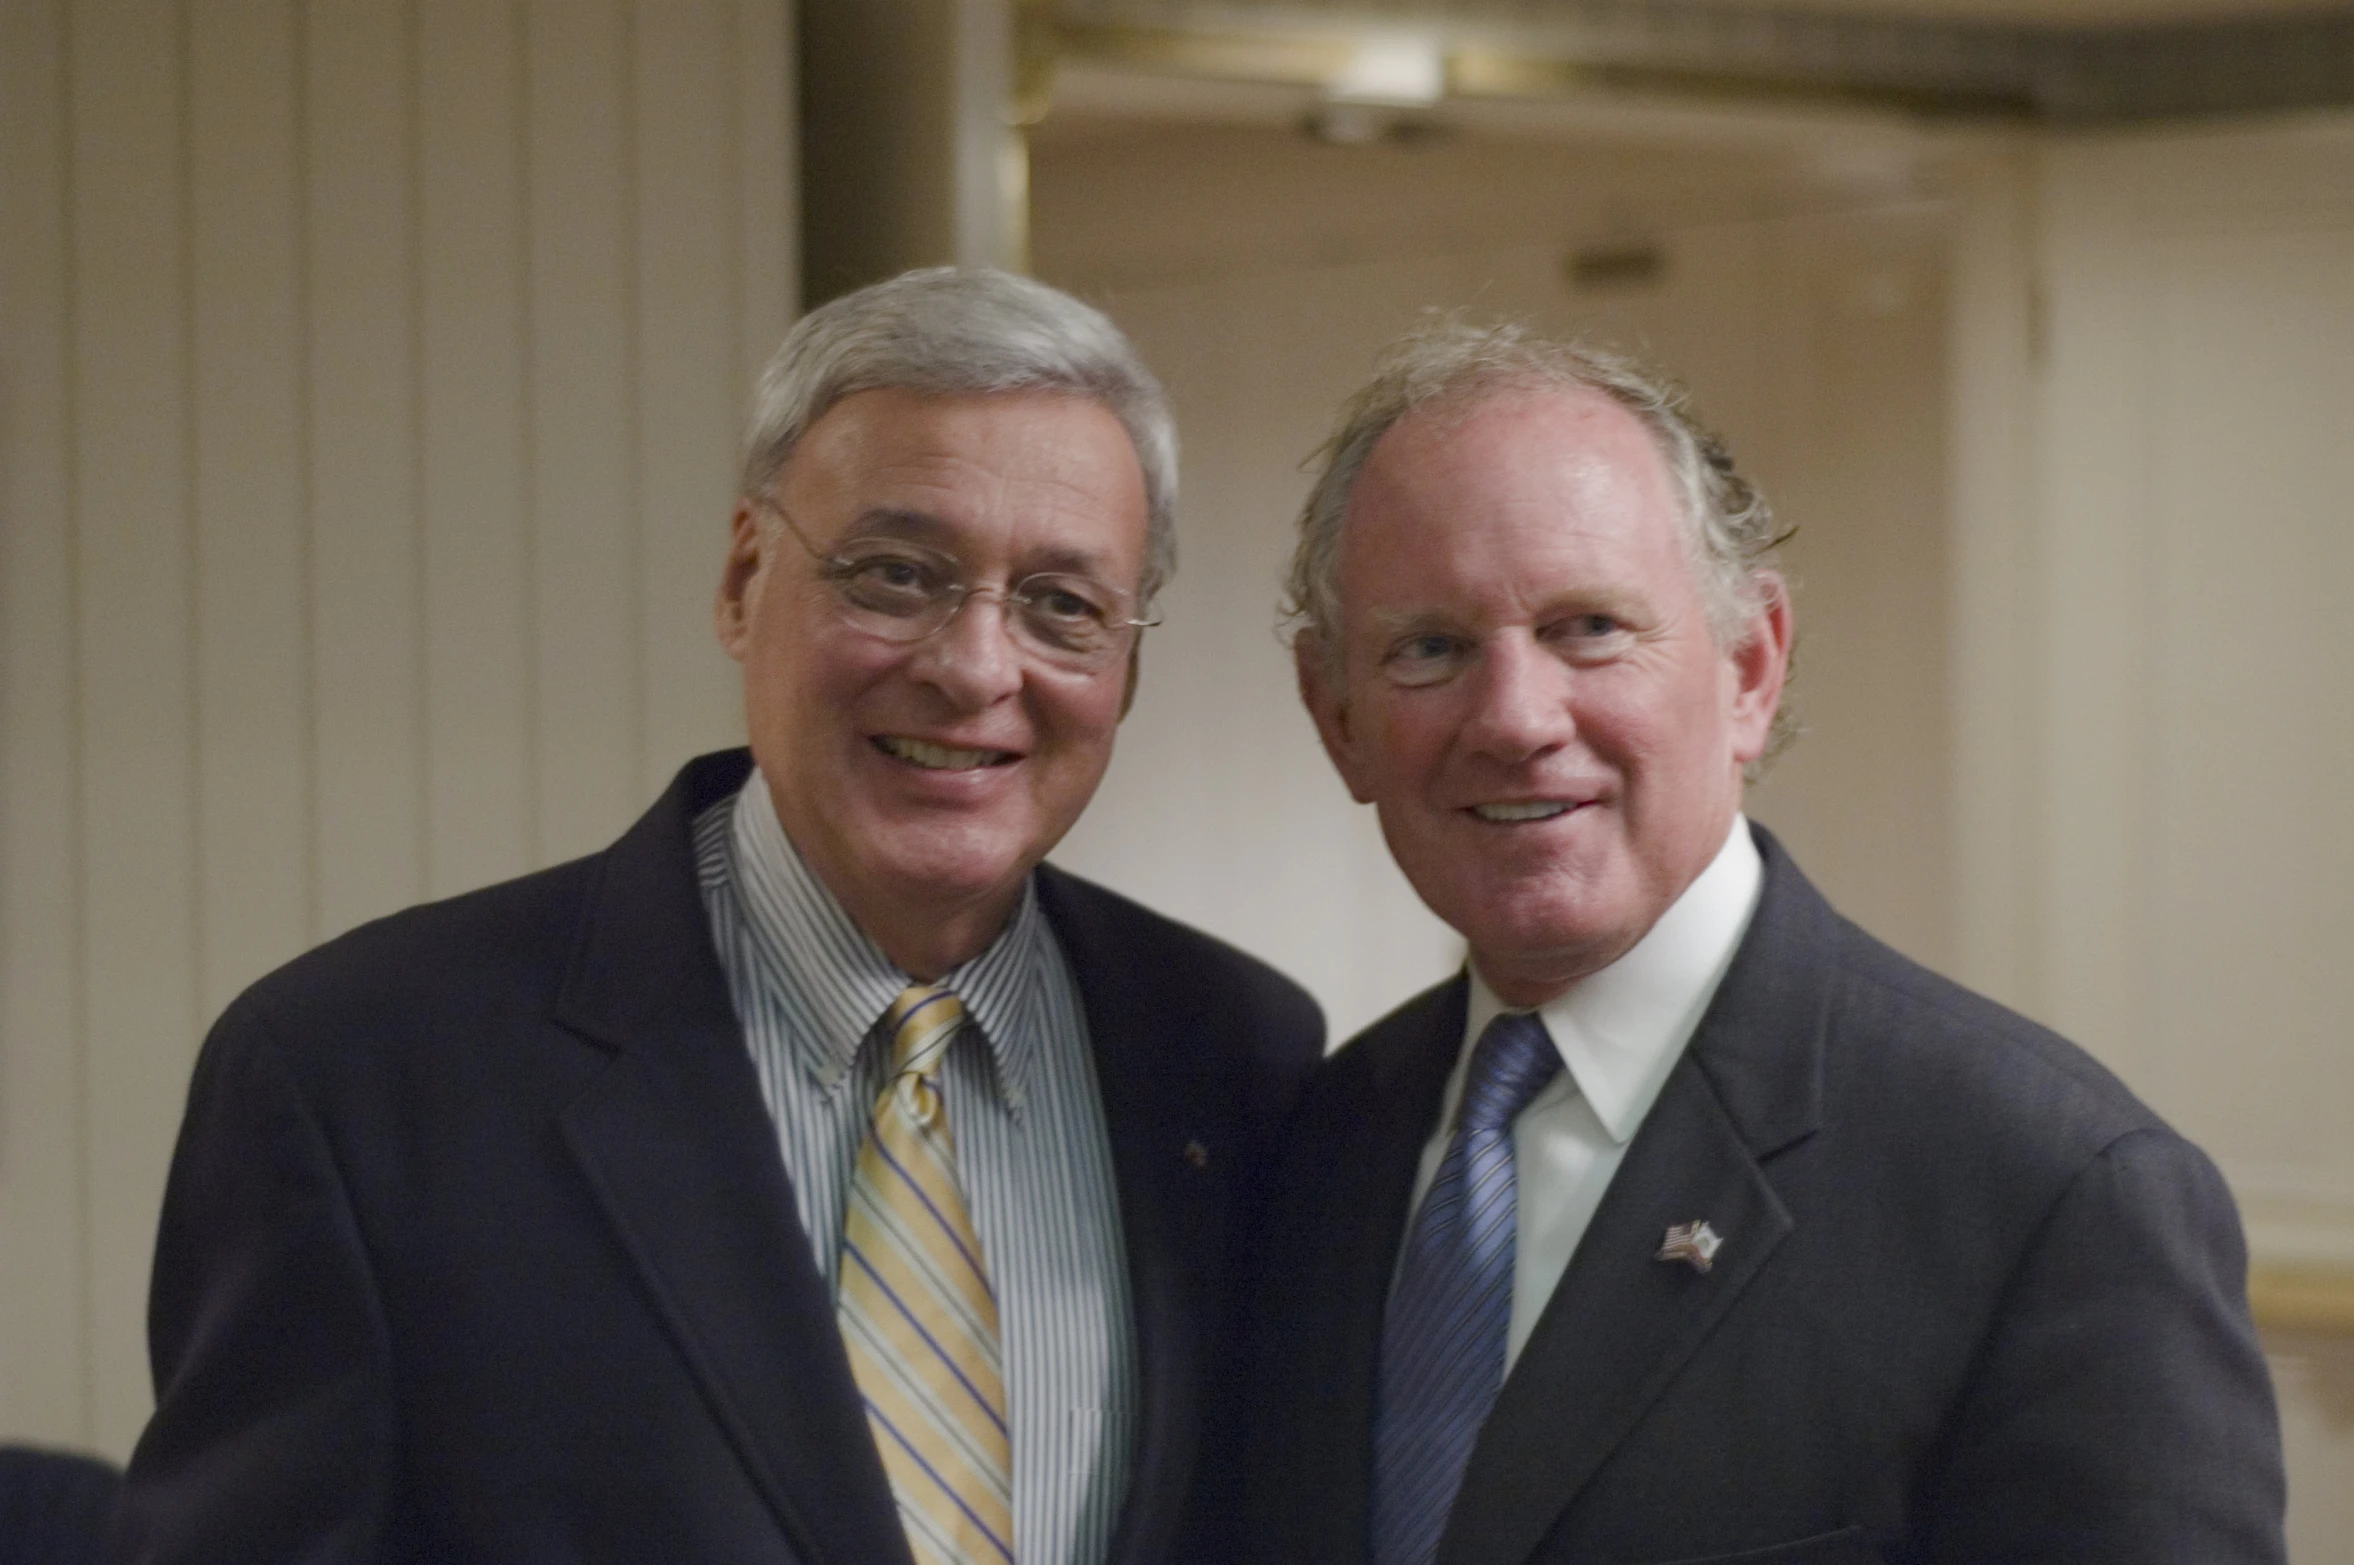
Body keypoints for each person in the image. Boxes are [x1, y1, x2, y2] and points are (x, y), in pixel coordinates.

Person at [112, 267, 1323, 1565]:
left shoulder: (1234, 1057)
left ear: (1126, 665)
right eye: (896, 575)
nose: (974, 666)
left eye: (1061, 607)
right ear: (744, 579)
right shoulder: (359, 1077)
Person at [1244, 322, 2284, 1565]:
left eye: (1587, 627)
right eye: (1429, 648)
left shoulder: (2049, 1193)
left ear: (1750, 666)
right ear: (1334, 716)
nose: (1514, 717)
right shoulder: (1313, 1142)